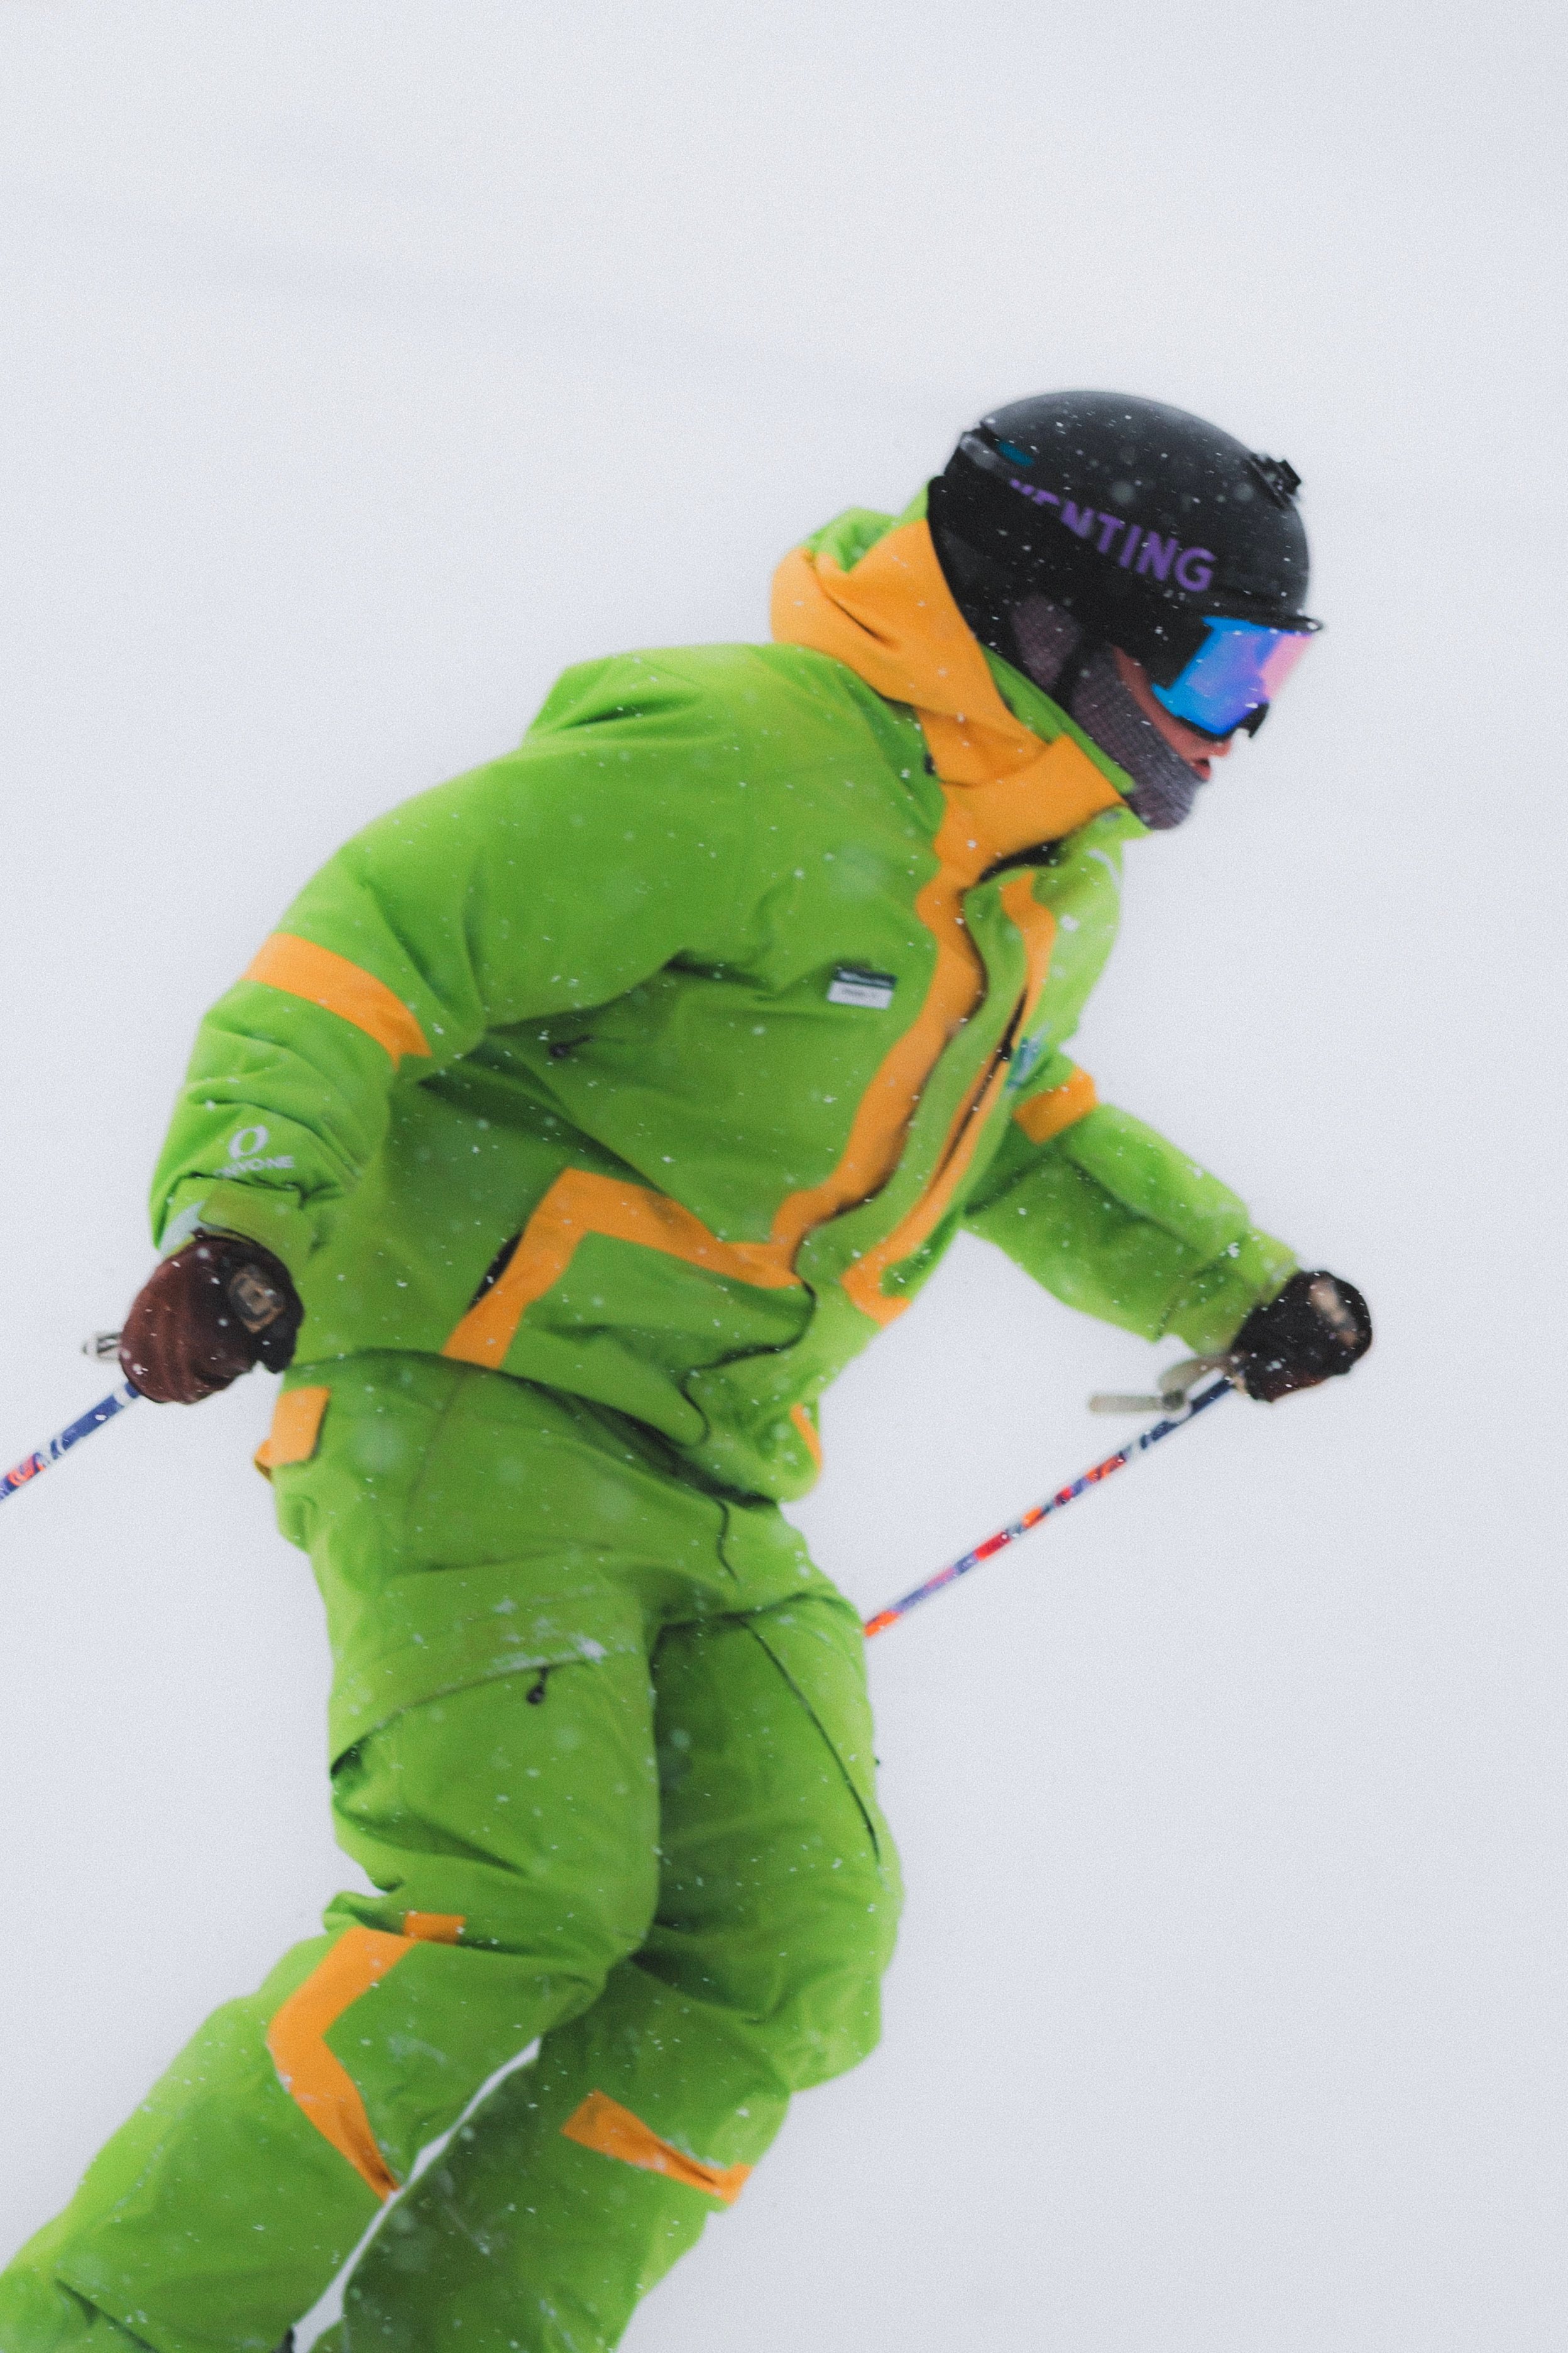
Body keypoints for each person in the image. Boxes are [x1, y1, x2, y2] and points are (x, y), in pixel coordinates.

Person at [1, 390, 1371, 2353]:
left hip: (717, 1472)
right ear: (1062, 618)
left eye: (1281, 675)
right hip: (472, 1411)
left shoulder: (1034, 890)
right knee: (515, 1903)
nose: (1244, 723)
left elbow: (1013, 1125)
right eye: (1230, 662)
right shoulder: (739, 759)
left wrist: (1230, 1280)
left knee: (791, 1942)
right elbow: (365, 950)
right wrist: (246, 1225)